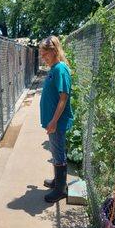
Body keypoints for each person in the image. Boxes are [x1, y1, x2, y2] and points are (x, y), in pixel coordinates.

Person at [39, 35, 74, 203]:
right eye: (41, 54)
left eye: (45, 54)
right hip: (52, 121)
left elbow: (63, 97)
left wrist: (53, 121)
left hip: (57, 122)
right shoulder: (54, 68)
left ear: (54, 51)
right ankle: (57, 181)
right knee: (55, 151)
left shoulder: (60, 69)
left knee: (58, 153)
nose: (43, 57)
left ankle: (61, 189)